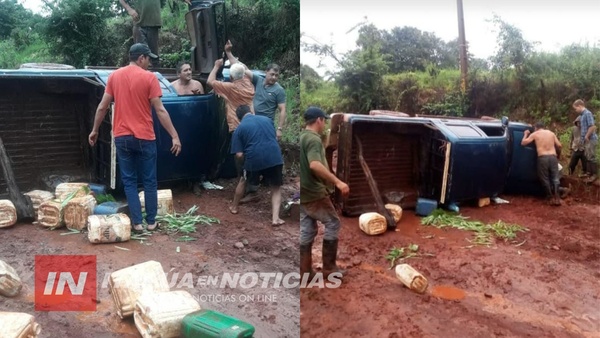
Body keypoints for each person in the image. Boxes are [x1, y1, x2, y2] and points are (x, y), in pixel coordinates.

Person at [88, 43, 182, 232]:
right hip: (145, 137)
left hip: (122, 137)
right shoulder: (149, 78)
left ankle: (137, 224)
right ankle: (151, 222)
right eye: (148, 59)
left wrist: (95, 130)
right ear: (141, 58)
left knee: (129, 181)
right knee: (149, 180)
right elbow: (160, 110)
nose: (149, 63)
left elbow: (102, 106)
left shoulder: (114, 77)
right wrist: (174, 135)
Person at [300, 107, 350, 279]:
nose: (324, 124)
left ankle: (304, 272)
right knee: (333, 223)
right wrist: (337, 182)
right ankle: (329, 268)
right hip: (314, 192)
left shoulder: (302, 137)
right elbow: (314, 164)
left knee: (307, 228)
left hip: (303, 192)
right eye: (324, 120)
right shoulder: (313, 140)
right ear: (319, 120)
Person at [229, 105, 286, 226]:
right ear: (251, 112)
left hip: (254, 158)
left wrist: (246, 163)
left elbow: (239, 155)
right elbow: (273, 136)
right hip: (274, 156)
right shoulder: (267, 120)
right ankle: (275, 219)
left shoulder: (239, 129)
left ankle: (234, 207)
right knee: (276, 188)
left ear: (239, 118)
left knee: (243, 180)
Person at [224, 40, 286, 139]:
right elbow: (241, 67)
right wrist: (228, 52)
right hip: (253, 121)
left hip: (266, 124)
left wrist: (279, 129)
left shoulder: (279, 90)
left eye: (276, 75)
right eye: (272, 74)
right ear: (266, 72)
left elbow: (282, 110)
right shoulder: (258, 80)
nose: (274, 77)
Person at [118, 0, 191, 67]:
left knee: (154, 57)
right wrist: (129, 9)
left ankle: (155, 78)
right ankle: (140, 77)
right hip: (140, 24)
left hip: (154, 25)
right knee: (141, 54)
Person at [207, 59, 255, 133]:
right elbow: (242, 69)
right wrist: (228, 52)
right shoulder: (248, 82)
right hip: (251, 123)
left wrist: (216, 66)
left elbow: (210, 81)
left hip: (237, 125)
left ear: (231, 77)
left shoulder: (231, 88)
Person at [521, 121, 562, 206]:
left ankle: (550, 197)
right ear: (543, 127)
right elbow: (559, 145)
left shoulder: (535, 134)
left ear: (536, 128)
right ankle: (557, 198)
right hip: (553, 157)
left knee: (544, 177)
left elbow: (523, 143)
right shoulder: (551, 133)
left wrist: (525, 134)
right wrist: (558, 156)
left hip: (543, 157)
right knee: (555, 177)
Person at [573, 99, 598, 183]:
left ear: (580, 106)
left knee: (591, 157)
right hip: (586, 140)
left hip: (591, 139)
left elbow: (592, 126)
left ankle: (594, 175)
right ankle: (588, 173)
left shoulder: (588, 113)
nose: (575, 110)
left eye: (576, 108)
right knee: (587, 156)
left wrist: (587, 136)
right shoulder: (582, 115)